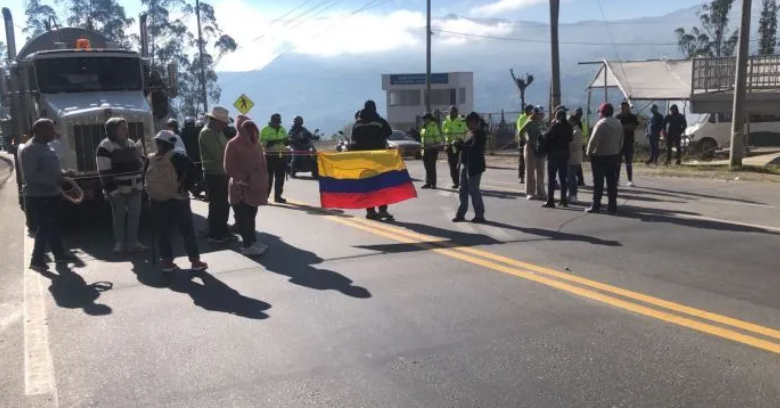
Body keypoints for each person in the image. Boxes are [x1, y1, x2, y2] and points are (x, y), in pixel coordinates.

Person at [145, 131, 208, 273]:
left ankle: (167, 263)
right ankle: (195, 262)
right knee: (187, 231)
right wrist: (185, 187)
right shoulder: (180, 157)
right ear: (172, 143)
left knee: (162, 232)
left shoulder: (150, 159)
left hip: (157, 200)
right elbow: (196, 174)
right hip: (179, 199)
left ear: (158, 143)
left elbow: (145, 178)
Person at [21, 119, 78, 272]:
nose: (54, 133)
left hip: (52, 193)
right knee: (45, 226)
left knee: (52, 225)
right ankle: (37, 259)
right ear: (39, 131)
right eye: (50, 130)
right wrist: (56, 180)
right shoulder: (31, 149)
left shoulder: (46, 146)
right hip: (39, 196)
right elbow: (31, 176)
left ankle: (59, 255)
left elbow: (51, 168)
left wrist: (64, 174)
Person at [96, 117, 147, 254]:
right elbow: (104, 171)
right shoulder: (105, 146)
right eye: (122, 128)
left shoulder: (131, 143)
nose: (126, 130)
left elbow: (140, 165)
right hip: (118, 189)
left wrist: (141, 156)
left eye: (126, 127)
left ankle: (133, 242)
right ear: (113, 130)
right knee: (119, 216)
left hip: (135, 187)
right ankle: (119, 243)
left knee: (134, 215)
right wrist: (113, 191)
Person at [224, 115, 269, 257]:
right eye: (246, 128)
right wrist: (242, 179)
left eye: (251, 127)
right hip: (240, 188)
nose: (249, 131)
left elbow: (262, 163)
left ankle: (253, 241)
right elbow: (228, 166)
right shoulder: (233, 144)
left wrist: (264, 178)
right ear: (240, 129)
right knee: (243, 217)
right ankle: (247, 245)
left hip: (255, 187)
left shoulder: (257, 144)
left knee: (252, 214)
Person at [350, 100, 394, 220]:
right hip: (378, 157)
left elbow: (352, 142)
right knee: (381, 184)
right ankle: (383, 210)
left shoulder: (357, 124)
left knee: (367, 185)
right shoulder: (379, 121)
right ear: (374, 108)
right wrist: (378, 138)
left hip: (364, 159)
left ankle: (370, 211)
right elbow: (389, 132)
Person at [198, 106, 234, 243]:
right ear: (216, 120)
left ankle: (223, 230)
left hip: (223, 172)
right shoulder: (207, 133)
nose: (226, 124)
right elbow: (219, 153)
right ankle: (214, 233)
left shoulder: (218, 131)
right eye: (224, 121)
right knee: (217, 204)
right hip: (213, 173)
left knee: (225, 203)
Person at [586, 103, 623, 214]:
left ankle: (596, 205)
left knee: (598, 183)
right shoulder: (618, 124)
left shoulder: (601, 124)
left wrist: (588, 152)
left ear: (602, 113)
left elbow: (593, 141)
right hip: (613, 155)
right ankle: (612, 205)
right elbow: (621, 141)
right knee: (612, 182)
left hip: (599, 156)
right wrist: (617, 151)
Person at [452, 112, 487, 223]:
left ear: (474, 122)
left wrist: (461, 146)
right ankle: (461, 213)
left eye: (468, 122)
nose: (466, 124)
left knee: (473, 190)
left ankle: (479, 215)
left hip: (475, 166)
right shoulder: (469, 132)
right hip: (465, 164)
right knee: (462, 190)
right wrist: (458, 145)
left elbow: (473, 149)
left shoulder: (480, 134)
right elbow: (465, 147)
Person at [543, 109, 573, 208]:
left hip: (553, 154)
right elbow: (570, 139)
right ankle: (563, 199)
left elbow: (546, 137)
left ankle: (550, 200)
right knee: (563, 178)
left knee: (551, 178)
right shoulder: (569, 127)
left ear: (557, 116)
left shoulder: (555, 126)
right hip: (564, 153)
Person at [260, 113, 289, 203]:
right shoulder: (265, 130)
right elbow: (263, 144)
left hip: (281, 156)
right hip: (270, 156)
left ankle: (278, 196)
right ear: (271, 121)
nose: (277, 124)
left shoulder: (282, 130)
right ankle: (265, 197)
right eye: (276, 122)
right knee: (268, 178)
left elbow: (287, 143)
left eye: (278, 122)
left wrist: (287, 141)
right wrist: (277, 141)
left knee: (280, 178)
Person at [523, 106, 547, 201]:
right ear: (535, 114)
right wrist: (526, 141)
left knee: (541, 171)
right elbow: (521, 132)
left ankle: (541, 192)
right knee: (530, 172)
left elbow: (545, 134)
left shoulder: (543, 123)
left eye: (542, 114)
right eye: (540, 114)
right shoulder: (529, 123)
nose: (542, 115)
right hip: (531, 149)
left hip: (541, 149)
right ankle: (530, 192)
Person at [442, 106, 467, 189]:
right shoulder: (445, 122)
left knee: (461, 166)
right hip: (450, 147)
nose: (452, 113)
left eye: (454, 112)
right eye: (451, 112)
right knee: (452, 166)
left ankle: (463, 182)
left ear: (457, 112)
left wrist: (463, 141)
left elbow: (467, 132)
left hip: (461, 146)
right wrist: (446, 143)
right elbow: (444, 135)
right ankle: (456, 182)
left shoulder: (462, 121)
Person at [615, 101, 638, 187]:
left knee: (628, 161)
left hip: (628, 141)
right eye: (621, 108)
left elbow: (634, 127)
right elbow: (616, 128)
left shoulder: (633, 117)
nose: (622, 109)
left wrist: (625, 126)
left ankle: (630, 180)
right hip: (619, 142)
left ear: (628, 108)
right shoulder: (617, 117)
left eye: (624, 108)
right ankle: (616, 180)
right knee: (617, 162)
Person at [420, 112, 443, 189]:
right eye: (424, 119)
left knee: (432, 167)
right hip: (425, 149)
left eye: (426, 119)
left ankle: (433, 183)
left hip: (432, 149)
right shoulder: (424, 127)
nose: (424, 120)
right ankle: (428, 182)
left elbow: (437, 139)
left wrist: (437, 147)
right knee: (427, 167)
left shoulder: (433, 126)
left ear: (429, 119)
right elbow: (422, 138)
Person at [515, 104, 534, 185]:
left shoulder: (532, 117)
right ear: (527, 111)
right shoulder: (522, 118)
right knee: (522, 159)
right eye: (531, 110)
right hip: (523, 140)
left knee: (532, 159)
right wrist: (525, 140)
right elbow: (521, 131)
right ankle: (521, 176)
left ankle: (531, 176)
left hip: (531, 140)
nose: (532, 112)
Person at [567, 115, 584, 204]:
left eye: (569, 120)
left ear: (573, 122)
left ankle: (573, 195)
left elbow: (575, 145)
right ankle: (570, 194)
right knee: (570, 177)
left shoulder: (576, 132)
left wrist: (565, 146)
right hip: (572, 157)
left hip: (573, 158)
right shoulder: (573, 131)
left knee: (571, 178)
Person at [570, 107, 588, 186]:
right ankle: (580, 180)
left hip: (579, 144)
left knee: (576, 163)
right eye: (577, 113)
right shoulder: (580, 123)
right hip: (581, 144)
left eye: (579, 114)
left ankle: (579, 180)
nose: (577, 115)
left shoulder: (579, 124)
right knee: (577, 163)